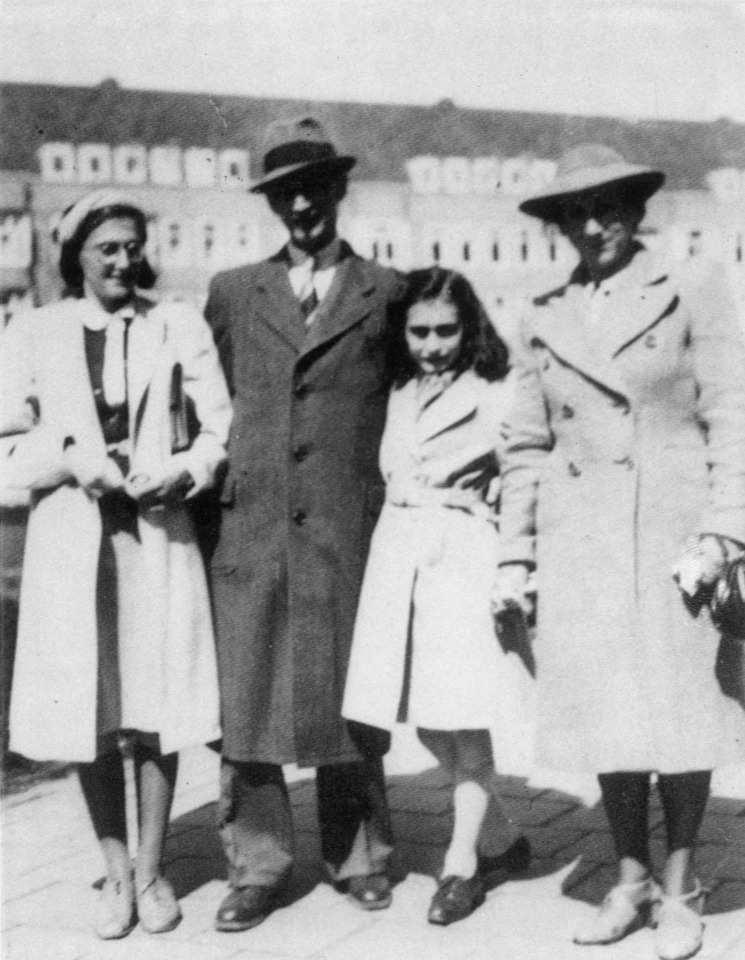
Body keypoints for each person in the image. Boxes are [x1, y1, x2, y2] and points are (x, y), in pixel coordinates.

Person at [495, 144, 745, 960]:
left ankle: (680, 887)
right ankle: (628, 878)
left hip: (674, 534)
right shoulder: (540, 313)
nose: (593, 224)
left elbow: (732, 414)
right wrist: (515, 555)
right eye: (575, 212)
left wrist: (724, 528)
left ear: (636, 212)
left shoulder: (690, 287)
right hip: (583, 541)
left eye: (609, 208)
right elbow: (524, 445)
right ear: (559, 223)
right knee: (608, 716)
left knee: (678, 711)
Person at [0, 190, 232, 940]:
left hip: (156, 532)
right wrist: (69, 459)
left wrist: (185, 471)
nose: (124, 260)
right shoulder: (37, 330)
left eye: (133, 246)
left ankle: (157, 867)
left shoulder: (175, 322)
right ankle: (118, 871)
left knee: (155, 703)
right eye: (108, 248)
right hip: (73, 541)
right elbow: (5, 443)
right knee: (88, 708)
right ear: (76, 256)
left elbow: (219, 427)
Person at [204, 116, 406, 932]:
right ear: (269, 203)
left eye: (314, 188)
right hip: (250, 523)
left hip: (343, 523)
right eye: (283, 192)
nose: (300, 204)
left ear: (338, 191)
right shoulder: (231, 293)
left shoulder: (385, 292)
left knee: (343, 690)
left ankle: (358, 854)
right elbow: (209, 392)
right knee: (249, 693)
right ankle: (257, 864)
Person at [342, 267, 533, 925]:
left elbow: (521, 483)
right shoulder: (394, 390)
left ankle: (461, 865)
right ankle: (503, 835)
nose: (431, 344)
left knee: (463, 711)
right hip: (398, 557)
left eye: (445, 330)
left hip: (460, 555)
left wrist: (515, 567)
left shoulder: (495, 391)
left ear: (468, 327)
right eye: (419, 331)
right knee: (420, 715)